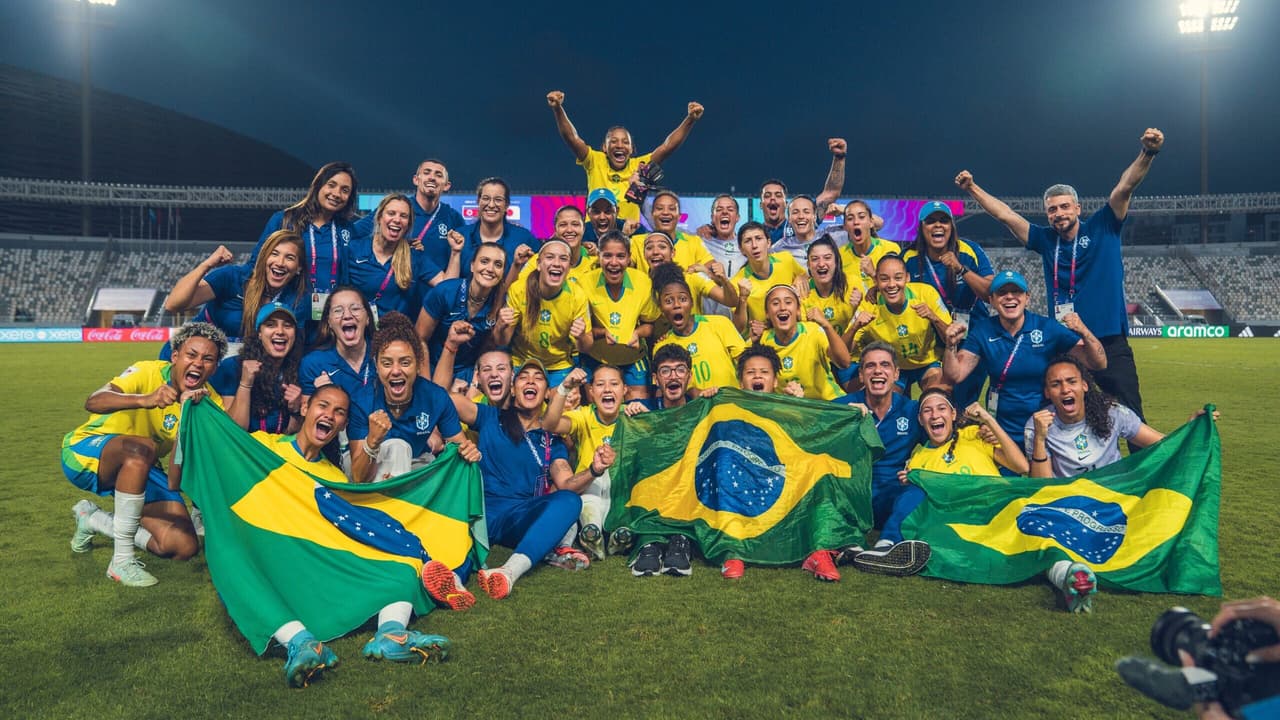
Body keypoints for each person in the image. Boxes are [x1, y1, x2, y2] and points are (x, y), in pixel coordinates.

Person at [193, 384, 451, 686]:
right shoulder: (263, 447)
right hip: (263, 553)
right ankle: (300, 643)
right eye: (323, 406)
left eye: (339, 412)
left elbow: (340, 534)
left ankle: (392, 633)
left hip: (311, 562)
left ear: (342, 425)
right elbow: (209, 459)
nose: (329, 415)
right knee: (231, 558)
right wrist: (196, 411)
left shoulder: (334, 478)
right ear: (305, 409)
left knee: (403, 569)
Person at [955, 128, 1165, 420]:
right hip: (1067, 345)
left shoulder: (1104, 226)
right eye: (1052, 210)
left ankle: (1144, 467)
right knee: (1073, 418)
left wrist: (1148, 152)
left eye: (1065, 207)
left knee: (1129, 415)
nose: (1058, 213)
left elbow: (1124, 188)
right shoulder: (1044, 239)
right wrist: (972, 188)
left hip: (1108, 341)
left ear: (1078, 208)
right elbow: (1005, 215)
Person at [438, 351, 613, 599]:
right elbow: (445, 399)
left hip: (519, 517)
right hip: (481, 512)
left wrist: (594, 470)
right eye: (523, 377)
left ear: (547, 394)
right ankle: (452, 581)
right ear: (513, 389)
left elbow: (566, 484)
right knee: (465, 545)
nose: (530, 381)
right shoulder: (491, 417)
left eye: (538, 378)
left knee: (570, 501)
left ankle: (509, 571)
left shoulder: (553, 441)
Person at [64, 323, 227, 587]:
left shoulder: (209, 402)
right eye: (191, 354)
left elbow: (176, 480)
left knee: (183, 545)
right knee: (143, 448)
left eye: (208, 359)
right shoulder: (147, 371)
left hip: (143, 466)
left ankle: (93, 519)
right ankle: (121, 562)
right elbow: (93, 401)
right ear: (175, 356)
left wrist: (187, 416)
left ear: (215, 367)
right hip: (86, 453)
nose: (198, 363)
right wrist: (145, 399)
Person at [942, 270, 1106, 440]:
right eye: (1002, 293)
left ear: (1027, 297)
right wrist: (950, 346)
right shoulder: (983, 330)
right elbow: (955, 375)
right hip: (1002, 428)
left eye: (1016, 292)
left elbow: (1097, 363)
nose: (1010, 297)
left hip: (1046, 426)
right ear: (991, 300)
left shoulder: (1047, 327)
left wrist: (1084, 331)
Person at [347, 312, 478, 486]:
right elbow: (358, 476)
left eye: (405, 362)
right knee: (397, 447)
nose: (395, 371)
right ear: (376, 366)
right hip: (367, 466)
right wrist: (372, 441)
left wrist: (470, 452)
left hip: (415, 462)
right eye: (386, 363)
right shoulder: (362, 400)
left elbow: (459, 448)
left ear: (418, 365)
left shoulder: (435, 397)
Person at [832, 343, 929, 576]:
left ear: (896, 374)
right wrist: (845, 421)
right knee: (826, 488)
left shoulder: (912, 410)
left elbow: (943, 436)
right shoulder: (843, 407)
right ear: (861, 374)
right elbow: (810, 429)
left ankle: (886, 545)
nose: (877, 371)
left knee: (919, 489)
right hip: (854, 494)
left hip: (891, 493)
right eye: (870, 366)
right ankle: (849, 542)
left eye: (885, 365)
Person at [547, 90, 704, 221]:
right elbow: (572, 138)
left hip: (629, 235)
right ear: (604, 148)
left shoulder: (640, 165)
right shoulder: (595, 160)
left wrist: (690, 119)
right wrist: (558, 109)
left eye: (625, 142)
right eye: (613, 141)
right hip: (595, 233)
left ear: (632, 148)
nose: (619, 145)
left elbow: (667, 147)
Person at [901, 201, 995, 407]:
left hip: (971, 337)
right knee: (940, 398)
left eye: (944, 221)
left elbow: (991, 294)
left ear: (952, 226)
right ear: (921, 227)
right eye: (931, 221)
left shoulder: (969, 251)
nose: (938, 226)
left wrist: (961, 269)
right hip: (933, 342)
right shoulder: (909, 257)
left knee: (965, 400)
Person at [164, 231, 309, 351]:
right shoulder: (232, 277)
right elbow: (173, 304)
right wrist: (206, 265)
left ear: (299, 267)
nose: (280, 262)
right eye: (274, 254)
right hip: (195, 357)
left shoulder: (298, 299)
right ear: (264, 257)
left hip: (239, 368)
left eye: (289, 257)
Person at [542, 366, 625, 561]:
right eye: (600, 384)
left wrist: (645, 413)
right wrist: (563, 388)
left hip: (621, 490)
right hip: (589, 489)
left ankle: (620, 533)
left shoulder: (632, 416)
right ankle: (591, 531)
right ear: (591, 392)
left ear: (625, 390)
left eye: (614, 384)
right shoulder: (584, 416)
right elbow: (548, 425)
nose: (607, 389)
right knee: (591, 498)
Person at [251, 162, 359, 305]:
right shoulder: (284, 220)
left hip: (331, 315)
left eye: (345, 190)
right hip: (286, 314)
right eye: (331, 185)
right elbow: (255, 264)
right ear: (318, 185)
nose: (336, 194)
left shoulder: (347, 230)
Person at [494, 238, 593, 388]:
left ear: (569, 267)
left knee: (566, 404)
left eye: (563, 259)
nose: (557, 263)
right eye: (550, 257)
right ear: (539, 264)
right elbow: (502, 341)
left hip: (559, 365)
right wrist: (500, 326)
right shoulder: (519, 289)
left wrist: (581, 336)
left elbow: (586, 347)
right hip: (522, 362)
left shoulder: (577, 295)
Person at [849, 255, 952, 394]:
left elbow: (950, 339)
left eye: (898, 278)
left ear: (907, 278)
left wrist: (934, 318)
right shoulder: (869, 306)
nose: (892, 284)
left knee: (938, 395)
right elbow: (845, 352)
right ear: (876, 281)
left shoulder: (926, 293)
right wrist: (855, 326)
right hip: (892, 366)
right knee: (885, 403)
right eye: (884, 279)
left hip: (927, 362)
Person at [345, 194, 453, 322]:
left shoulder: (414, 256)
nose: (397, 220)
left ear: (408, 224)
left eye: (403, 216)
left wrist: (456, 252)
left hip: (396, 337)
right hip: (358, 333)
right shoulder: (354, 250)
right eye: (391, 213)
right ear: (379, 217)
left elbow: (448, 287)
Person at [581, 231, 661, 399]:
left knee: (638, 411)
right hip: (596, 358)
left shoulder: (643, 282)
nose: (614, 263)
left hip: (633, 358)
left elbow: (649, 325)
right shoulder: (585, 283)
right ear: (599, 257)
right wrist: (602, 333)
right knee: (599, 413)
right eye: (607, 256)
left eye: (620, 256)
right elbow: (581, 332)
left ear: (629, 258)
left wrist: (637, 333)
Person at [354, 159, 467, 275]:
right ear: (416, 180)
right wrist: (397, 245)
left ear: (447, 186)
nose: (432, 178)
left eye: (438, 175)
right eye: (427, 172)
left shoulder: (453, 218)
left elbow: (463, 257)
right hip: (398, 287)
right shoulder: (397, 210)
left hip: (436, 286)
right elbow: (353, 234)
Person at [416, 242, 506, 384]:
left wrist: (474, 381)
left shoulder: (500, 303)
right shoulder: (445, 292)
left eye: (498, 265)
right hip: (433, 365)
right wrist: (426, 384)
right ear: (472, 265)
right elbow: (419, 339)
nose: (490, 269)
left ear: (502, 273)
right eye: (484, 261)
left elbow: (489, 348)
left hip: (469, 372)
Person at [211, 302, 304, 435]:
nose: (280, 331)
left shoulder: (298, 371)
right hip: (240, 451)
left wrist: (295, 411)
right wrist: (245, 385)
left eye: (287, 325)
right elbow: (234, 431)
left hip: (274, 452)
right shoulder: (233, 366)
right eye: (270, 325)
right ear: (259, 333)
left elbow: (289, 435)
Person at [651, 265, 746, 391]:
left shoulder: (720, 324)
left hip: (730, 406)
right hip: (693, 410)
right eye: (668, 301)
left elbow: (747, 363)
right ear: (661, 309)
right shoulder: (662, 347)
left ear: (691, 302)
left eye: (683, 299)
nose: (677, 305)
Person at [753, 284, 849, 400]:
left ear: (798, 310)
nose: (782, 307)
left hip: (828, 403)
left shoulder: (813, 331)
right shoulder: (763, 340)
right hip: (792, 409)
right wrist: (755, 345)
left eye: (788, 302)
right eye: (775, 303)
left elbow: (844, 363)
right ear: (767, 313)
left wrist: (827, 325)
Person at [798, 235, 863, 390]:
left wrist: (854, 309)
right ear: (808, 264)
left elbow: (862, 325)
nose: (821, 264)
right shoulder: (802, 292)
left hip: (851, 355)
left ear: (836, 261)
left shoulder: (852, 284)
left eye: (827, 258)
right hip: (819, 360)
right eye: (815, 259)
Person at [757, 138, 847, 245]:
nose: (773, 198)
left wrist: (839, 158)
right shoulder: (756, 234)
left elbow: (831, 192)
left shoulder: (801, 220)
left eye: (778, 195)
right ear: (761, 205)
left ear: (786, 204)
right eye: (767, 196)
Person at [643, 233, 738, 327]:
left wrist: (724, 280)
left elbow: (731, 301)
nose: (655, 252)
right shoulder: (641, 285)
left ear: (673, 253)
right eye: (649, 248)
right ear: (644, 254)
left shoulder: (692, 278)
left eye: (662, 247)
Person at [301, 286, 375, 401]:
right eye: (338, 310)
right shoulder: (313, 364)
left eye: (355, 308)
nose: (347, 315)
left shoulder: (385, 354)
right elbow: (307, 415)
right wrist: (324, 396)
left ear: (368, 318)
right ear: (329, 321)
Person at [732, 221, 808, 333]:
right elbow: (738, 328)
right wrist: (742, 299)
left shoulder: (786, 259)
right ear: (741, 249)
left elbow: (807, 276)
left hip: (793, 333)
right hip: (761, 341)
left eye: (758, 238)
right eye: (748, 241)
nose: (754, 245)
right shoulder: (737, 282)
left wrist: (802, 277)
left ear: (768, 243)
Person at [459, 177, 539, 278]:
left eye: (498, 200)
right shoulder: (461, 236)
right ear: (478, 201)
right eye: (486, 198)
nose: (491, 205)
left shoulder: (524, 238)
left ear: (506, 205)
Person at [629, 191, 714, 274]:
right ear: (652, 214)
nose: (665, 212)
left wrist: (705, 272)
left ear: (679, 216)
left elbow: (716, 275)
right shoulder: (637, 242)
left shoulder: (694, 242)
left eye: (672, 209)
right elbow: (622, 266)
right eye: (659, 208)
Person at [515, 205, 597, 287]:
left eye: (575, 224)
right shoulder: (538, 261)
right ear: (555, 229)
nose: (569, 230)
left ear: (583, 228)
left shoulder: (595, 261)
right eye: (563, 225)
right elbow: (517, 291)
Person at [832, 200, 901, 294]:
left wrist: (873, 274)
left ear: (871, 222)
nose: (856, 222)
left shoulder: (890, 249)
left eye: (861, 217)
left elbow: (897, 290)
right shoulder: (839, 255)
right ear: (845, 227)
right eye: (850, 218)